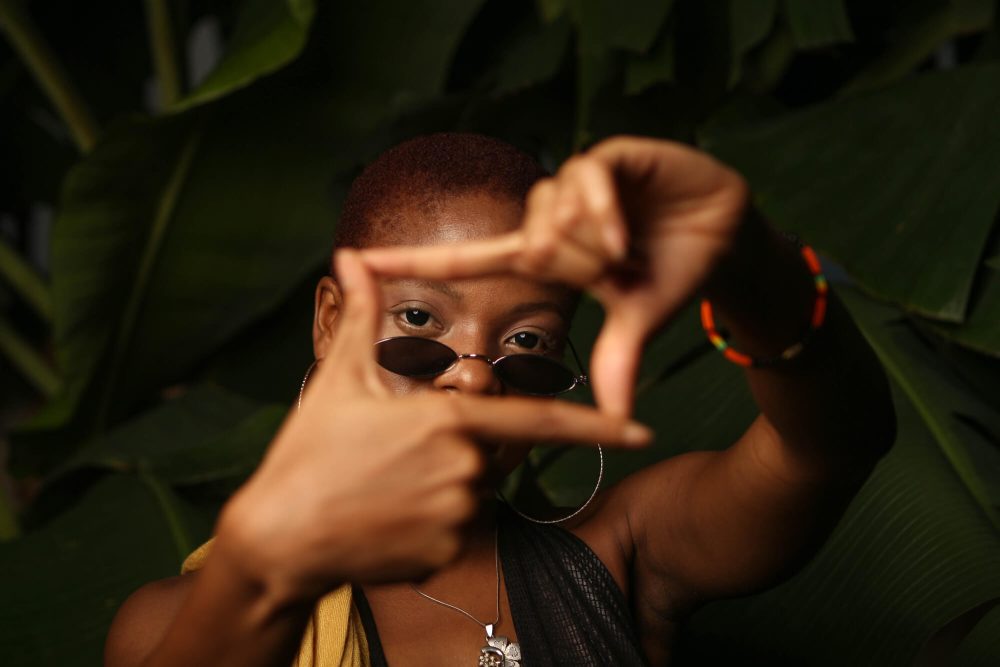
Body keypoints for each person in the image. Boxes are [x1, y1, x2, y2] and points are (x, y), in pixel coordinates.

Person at [104, 133, 895, 666]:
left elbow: (831, 443)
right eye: (421, 320)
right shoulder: (167, 622)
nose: (476, 377)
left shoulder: (619, 554)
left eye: (527, 341)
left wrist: (743, 252)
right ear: (333, 322)